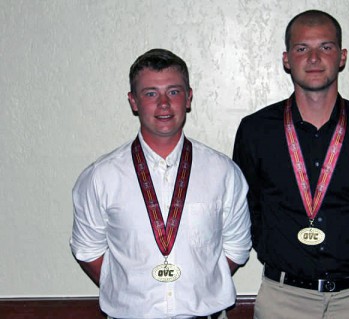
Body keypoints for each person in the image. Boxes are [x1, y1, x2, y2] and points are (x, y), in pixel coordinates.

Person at [233, 10, 349, 319]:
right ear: (287, 59)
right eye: (302, 48)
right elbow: (246, 208)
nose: (313, 57)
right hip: (282, 300)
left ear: (342, 56)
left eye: (325, 47)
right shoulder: (256, 131)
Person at [70, 48, 251, 319]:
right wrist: (134, 291)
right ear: (133, 102)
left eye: (174, 92)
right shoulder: (101, 177)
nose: (164, 104)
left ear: (188, 98)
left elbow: (237, 247)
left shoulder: (223, 172)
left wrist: (196, 289)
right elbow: (87, 249)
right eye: (151, 93)